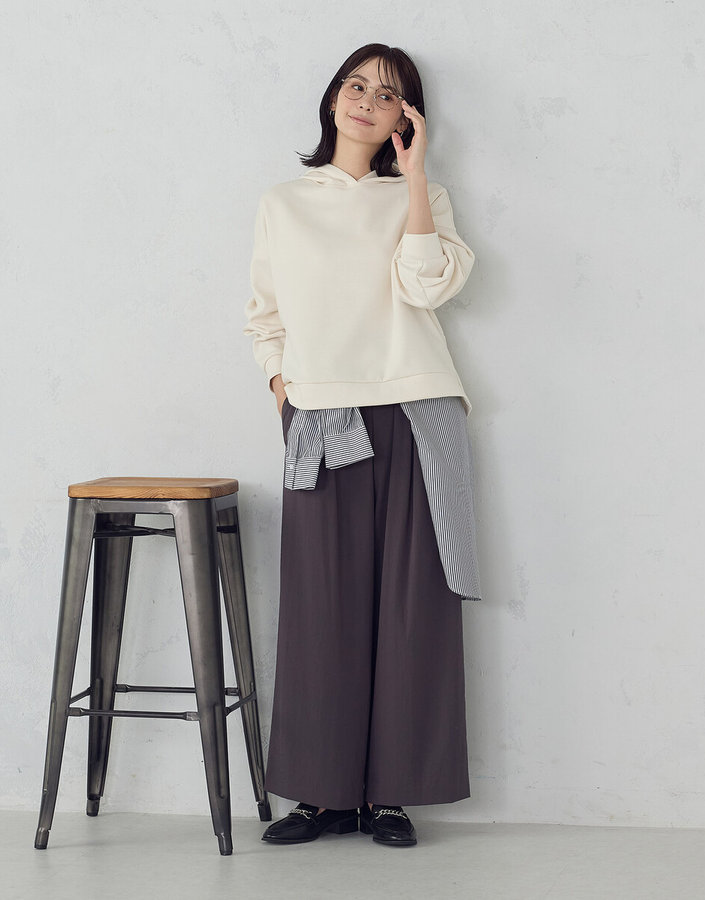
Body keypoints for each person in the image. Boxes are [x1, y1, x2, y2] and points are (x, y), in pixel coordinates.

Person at [243, 43, 481, 848]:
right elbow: (264, 315)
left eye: (388, 95)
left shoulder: (424, 195)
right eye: (357, 86)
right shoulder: (283, 202)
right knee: (321, 605)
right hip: (321, 414)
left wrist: (413, 179)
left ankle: (392, 796)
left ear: (406, 118)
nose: (367, 102)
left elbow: (426, 284)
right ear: (332, 97)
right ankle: (322, 795)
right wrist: (285, 389)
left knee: (414, 606)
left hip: (414, 409)